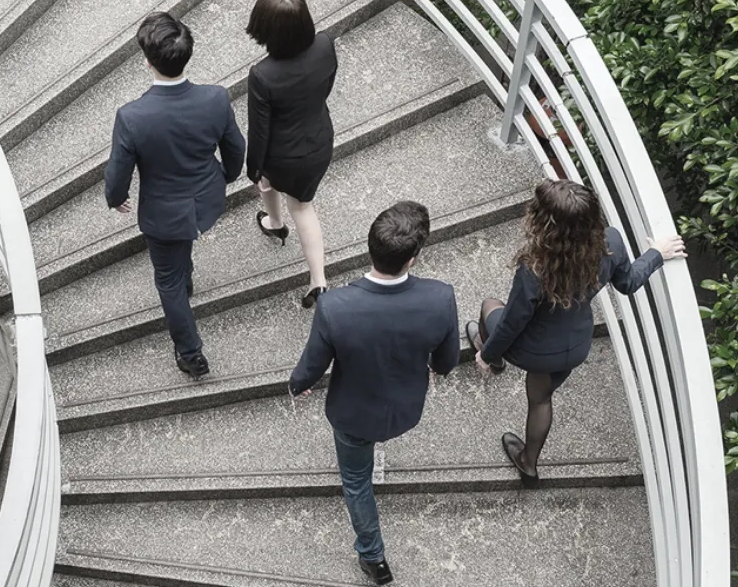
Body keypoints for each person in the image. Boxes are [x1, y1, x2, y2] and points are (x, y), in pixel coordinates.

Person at [466, 179, 687, 485]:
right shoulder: (611, 243)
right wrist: (657, 254)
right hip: (574, 349)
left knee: (490, 306)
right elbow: (629, 283)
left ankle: (495, 359)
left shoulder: (535, 269)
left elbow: (511, 323)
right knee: (541, 399)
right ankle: (528, 464)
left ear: (543, 223)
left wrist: (488, 356)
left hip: (531, 350)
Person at [289, 201, 460, 585]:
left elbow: (313, 365)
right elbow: (447, 361)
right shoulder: (441, 297)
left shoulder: (335, 306)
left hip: (353, 415)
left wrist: (297, 385)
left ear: (370, 247)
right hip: (404, 409)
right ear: (414, 257)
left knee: (355, 481)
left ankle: (373, 557)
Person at [105, 12, 245, 378]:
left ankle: (190, 352)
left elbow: (119, 171)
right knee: (180, 257)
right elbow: (235, 148)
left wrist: (114, 196)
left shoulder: (133, 116)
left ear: (148, 62)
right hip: (206, 200)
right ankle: (187, 277)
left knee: (167, 282)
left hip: (165, 215)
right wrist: (225, 176)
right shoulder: (215, 98)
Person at [245, 0, 337, 308]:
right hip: (320, 141)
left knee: (275, 187)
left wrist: (253, 169)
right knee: (303, 204)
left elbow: (259, 132)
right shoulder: (325, 44)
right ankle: (317, 280)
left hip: (282, 156)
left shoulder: (263, 75)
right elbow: (327, 86)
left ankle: (277, 224)